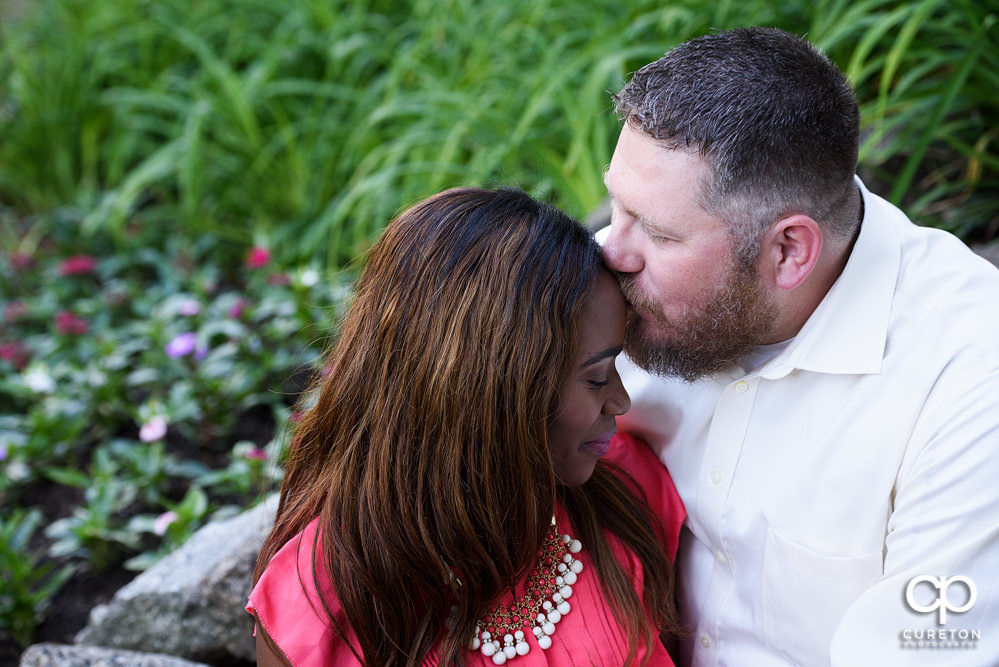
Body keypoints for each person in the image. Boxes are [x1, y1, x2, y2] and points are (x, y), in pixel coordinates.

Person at [599, 26, 999, 666]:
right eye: (617, 206)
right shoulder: (631, 293)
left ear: (788, 250)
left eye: (657, 233)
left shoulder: (971, 387)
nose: (611, 252)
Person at [247, 187, 686, 666]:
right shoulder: (323, 605)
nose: (621, 400)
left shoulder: (623, 495)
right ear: (491, 395)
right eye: (597, 378)